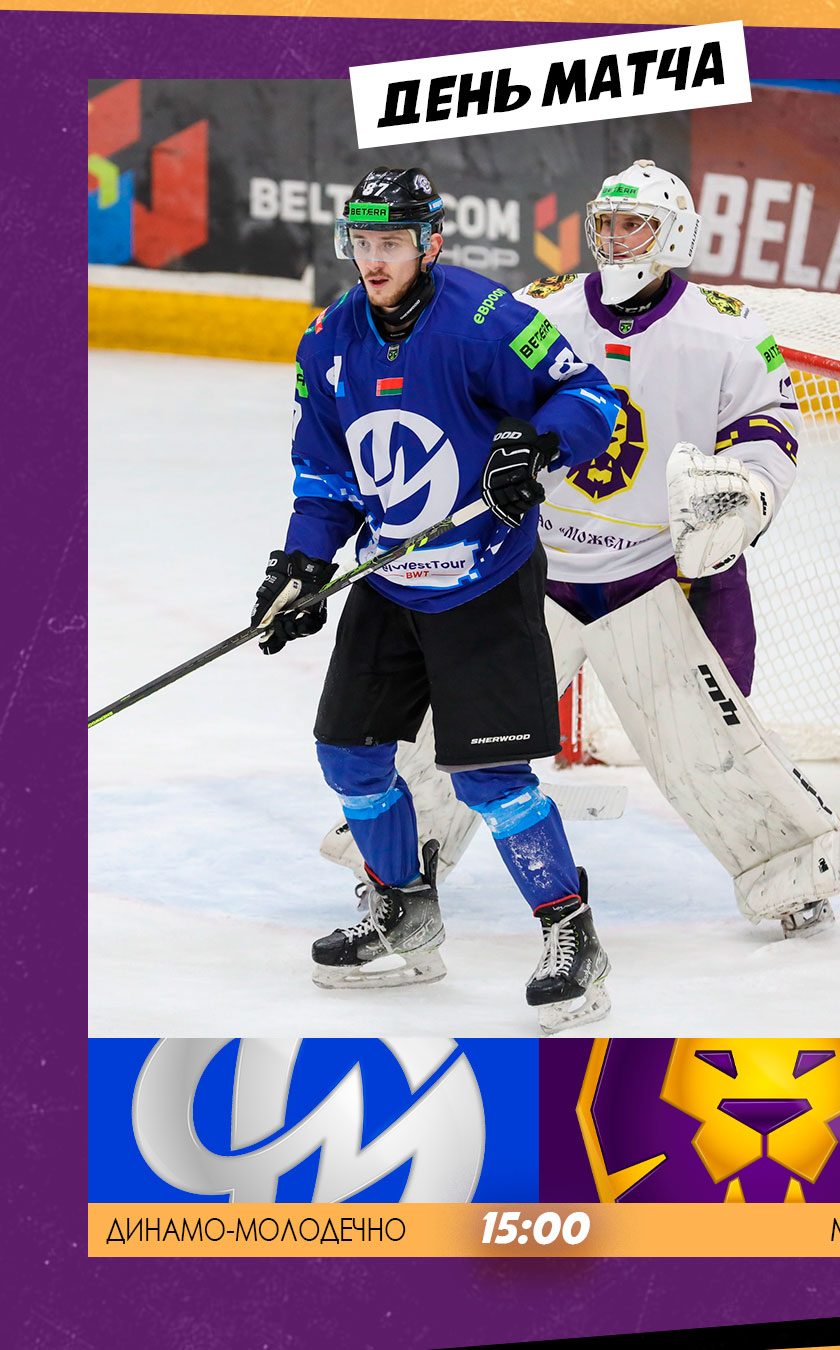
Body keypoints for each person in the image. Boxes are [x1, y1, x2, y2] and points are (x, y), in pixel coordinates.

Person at [321, 160, 840, 941]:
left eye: (634, 225)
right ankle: (396, 870)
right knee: (448, 737)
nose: (616, 238)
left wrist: (747, 493)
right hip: (532, 568)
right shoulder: (543, 309)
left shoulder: (730, 330)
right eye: (606, 222)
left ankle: (793, 877)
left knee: (706, 746)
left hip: (654, 576)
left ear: (675, 235)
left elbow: (768, 429)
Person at [251, 165, 622, 1034]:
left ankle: (571, 932)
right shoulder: (327, 342)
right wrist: (304, 565)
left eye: (391, 243)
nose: (374, 260)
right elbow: (326, 477)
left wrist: (537, 445)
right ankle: (404, 909)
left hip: (483, 579)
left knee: (489, 777)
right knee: (348, 755)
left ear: (431, 244)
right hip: (390, 579)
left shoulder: (487, 321)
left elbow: (590, 397)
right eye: (362, 243)